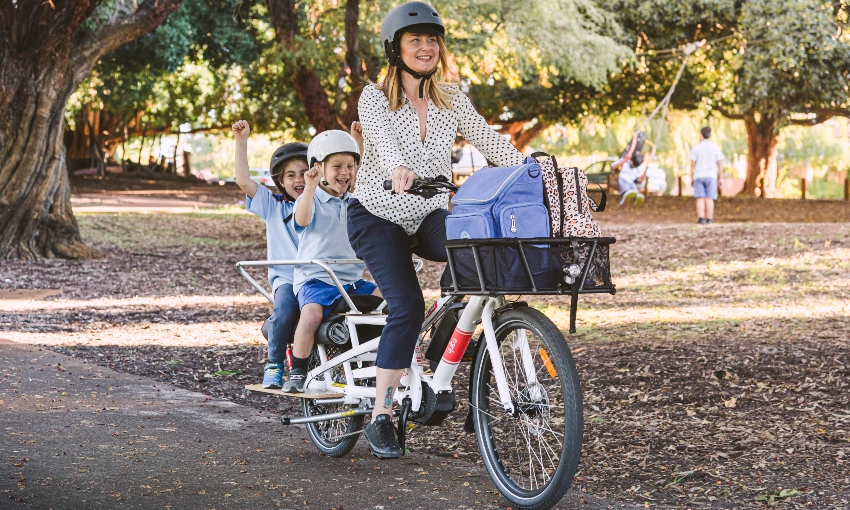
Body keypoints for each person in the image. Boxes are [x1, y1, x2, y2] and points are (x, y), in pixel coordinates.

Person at [349, 1, 525, 459]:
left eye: (432, 40)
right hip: (377, 213)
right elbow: (382, 139)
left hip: (426, 212)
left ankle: (447, 340)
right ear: (396, 49)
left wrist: (535, 171)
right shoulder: (375, 96)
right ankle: (382, 416)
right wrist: (396, 166)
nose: (426, 47)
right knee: (406, 304)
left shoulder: (451, 98)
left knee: (474, 249)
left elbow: (491, 143)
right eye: (416, 40)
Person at [282, 129, 381, 393]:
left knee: (388, 301)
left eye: (350, 166)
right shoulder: (310, 198)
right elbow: (301, 221)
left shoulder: (355, 201)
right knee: (311, 314)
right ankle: (297, 371)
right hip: (317, 279)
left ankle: (379, 364)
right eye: (336, 166)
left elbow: (361, 176)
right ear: (318, 168)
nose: (345, 172)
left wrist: (358, 143)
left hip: (350, 280)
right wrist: (310, 186)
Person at [232, 120, 308, 389]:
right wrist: (242, 142)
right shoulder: (273, 205)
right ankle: (274, 363)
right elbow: (243, 181)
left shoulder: (323, 202)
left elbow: (351, 182)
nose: (298, 179)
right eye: (291, 175)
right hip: (287, 278)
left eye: (304, 172)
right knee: (285, 311)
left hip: (319, 276)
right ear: (279, 180)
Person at [689, 126, 724, 224]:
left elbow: (692, 165)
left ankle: (701, 218)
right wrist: (721, 178)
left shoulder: (696, 148)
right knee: (709, 198)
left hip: (699, 175)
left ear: (701, 135)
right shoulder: (715, 148)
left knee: (700, 198)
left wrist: (691, 177)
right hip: (711, 175)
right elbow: (720, 164)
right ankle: (709, 219)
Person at [611, 131, 655, 206]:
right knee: (627, 186)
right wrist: (634, 138)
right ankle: (627, 193)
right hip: (623, 179)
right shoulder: (625, 162)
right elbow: (630, 151)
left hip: (631, 182)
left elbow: (639, 181)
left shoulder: (636, 169)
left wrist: (653, 149)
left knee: (633, 188)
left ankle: (636, 197)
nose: (632, 165)